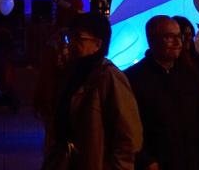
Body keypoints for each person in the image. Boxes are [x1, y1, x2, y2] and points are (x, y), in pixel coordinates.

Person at [42, 12, 142, 170]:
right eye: (70, 37)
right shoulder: (72, 73)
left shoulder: (109, 76)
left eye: (79, 38)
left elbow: (127, 134)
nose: (71, 44)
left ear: (98, 44)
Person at [125, 15, 199, 170]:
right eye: (169, 37)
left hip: (190, 161)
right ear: (152, 40)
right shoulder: (133, 78)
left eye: (179, 36)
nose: (178, 43)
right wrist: (145, 160)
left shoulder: (189, 74)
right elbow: (127, 126)